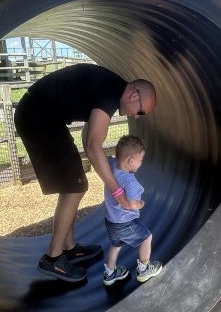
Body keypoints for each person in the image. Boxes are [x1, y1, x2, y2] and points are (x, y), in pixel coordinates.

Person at [13, 63, 157, 282]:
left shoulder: (110, 88)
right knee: (75, 187)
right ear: (134, 94)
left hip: (45, 117)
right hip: (39, 118)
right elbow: (92, 146)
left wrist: (97, 167)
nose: (136, 117)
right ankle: (52, 258)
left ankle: (70, 249)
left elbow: (88, 134)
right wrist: (117, 189)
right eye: (140, 112)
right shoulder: (110, 92)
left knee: (75, 185)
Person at [101, 135, 162, 286]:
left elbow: (104, 157)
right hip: (125, 223)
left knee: (116, 245)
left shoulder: (111, 165)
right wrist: (141, 203)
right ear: (131, 161)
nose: (141, 163)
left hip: (111, 221)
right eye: (141, 160)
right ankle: (144, 269)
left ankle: (110, 273)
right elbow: (133, 205)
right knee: (146, 237)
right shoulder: (130, 182)